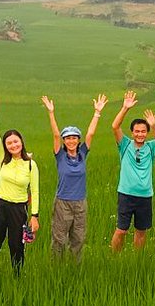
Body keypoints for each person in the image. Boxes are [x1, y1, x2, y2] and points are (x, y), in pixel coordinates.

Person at [40, 93, 107, 261]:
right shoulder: (60, 155)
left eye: (74, 138)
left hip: (80, 203)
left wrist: (97, 113)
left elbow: (90, 134)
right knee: (59, 239)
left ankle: (76, 268)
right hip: (63, 202)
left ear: (78, 140)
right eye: (68, 138)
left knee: (78, 239)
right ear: (64, 141)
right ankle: (56, 269)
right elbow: (55, 135)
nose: (71, 141)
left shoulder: (83, 154)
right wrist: (51, 112)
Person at [0, 99, 40, 279]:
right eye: (9, 143)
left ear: (21, 142)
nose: (13, 145)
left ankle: (17, 279)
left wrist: (34, 216)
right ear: (6, 147)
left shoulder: (30, 165)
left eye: (16, 141)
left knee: (17, 247)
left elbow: (35, 191)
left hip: (18, 210)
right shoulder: (3, 159)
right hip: (0, 207)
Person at [110, 90, 155, 252]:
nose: (140, 134)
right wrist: (125, 108)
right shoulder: (125, 145)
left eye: (143, 131)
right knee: (121, 230)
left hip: (145, 196)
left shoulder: (151, 147)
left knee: (141, 231)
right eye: (137, 131)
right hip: (126, 194)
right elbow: (115, 126)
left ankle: (138, 259)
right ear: (132, 132)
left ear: (147, 132)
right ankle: (113, 258)